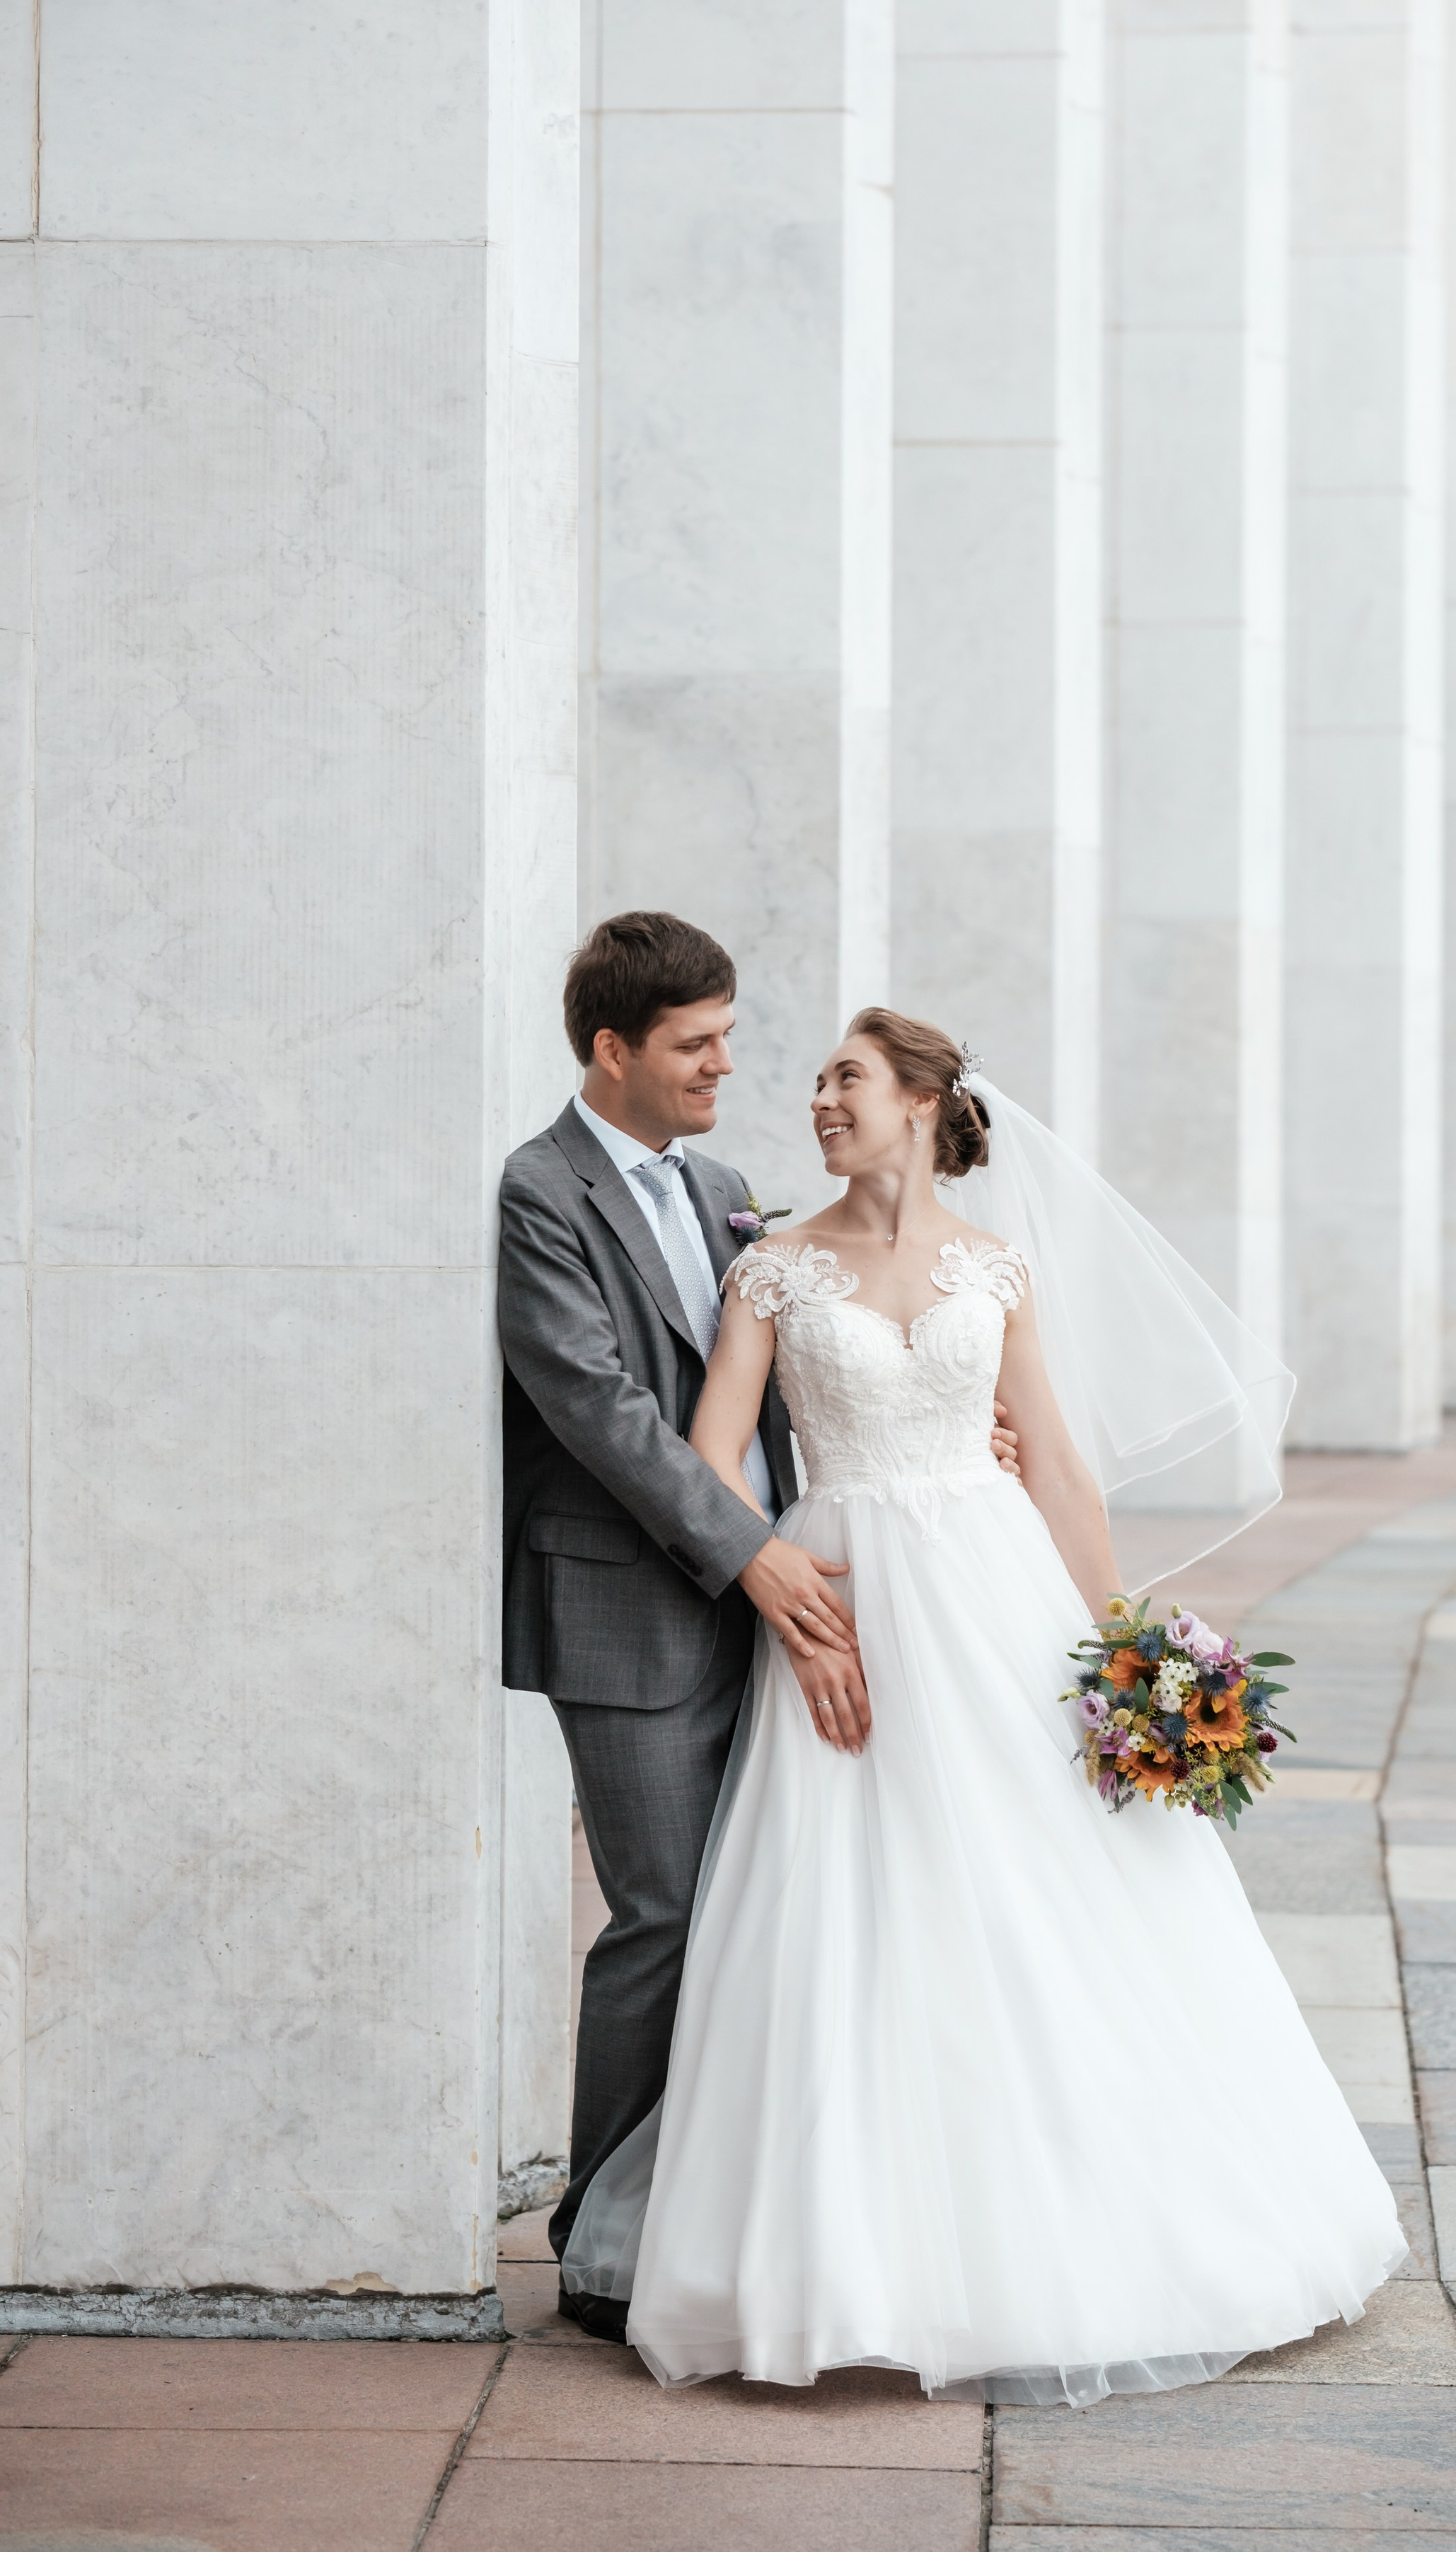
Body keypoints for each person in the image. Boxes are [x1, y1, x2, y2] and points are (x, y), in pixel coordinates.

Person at [559, 1007, 1407, 2405]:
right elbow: (714, 1462)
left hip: (996, 1602)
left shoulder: (992, 1269)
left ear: (918, 1103)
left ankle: (1102, 2234)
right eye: (818, 1080)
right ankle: (851, 2265)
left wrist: (1125, 1650)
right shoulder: (769, 1269)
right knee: (852, 1920)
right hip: (842, 1616)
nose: (819, 1098)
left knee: (1049, 1901)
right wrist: (788, 1607)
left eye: (847, 1078)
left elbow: (1059, 1469)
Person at [497, 918, 1017, 2338]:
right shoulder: (538, 1192)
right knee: (664, 1916)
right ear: (613, 1051)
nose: (729, 1065)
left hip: (784, 1600)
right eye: (694, 1044)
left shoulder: (729, 1190)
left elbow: (808, 1369)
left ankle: (729, 2209)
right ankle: (603, 2238)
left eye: (729, 1036)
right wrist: (763, 1565)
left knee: (769, 1921)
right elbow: (600, 1410)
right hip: (629, 1610)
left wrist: (963, 1446)